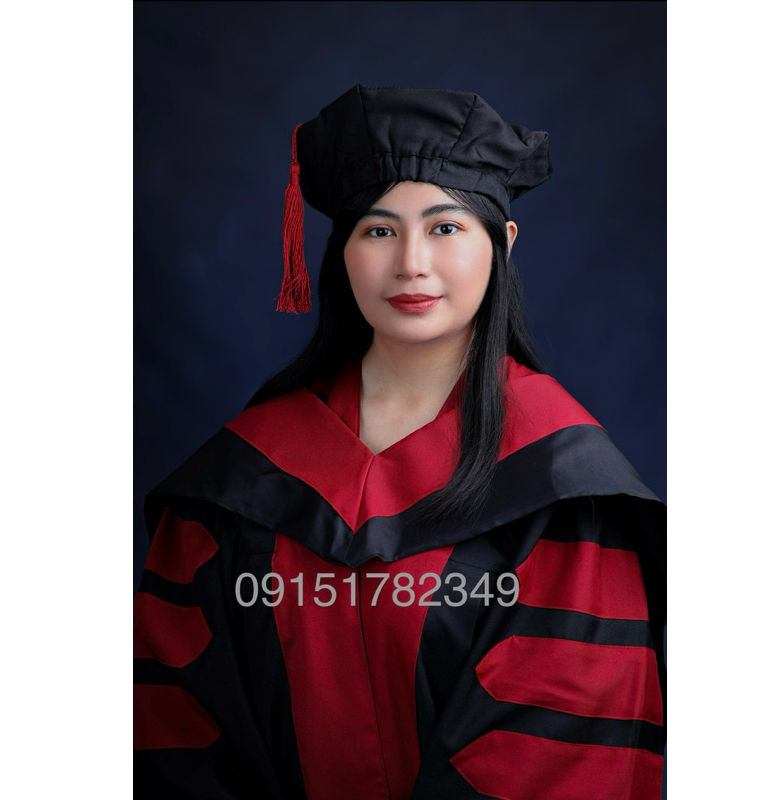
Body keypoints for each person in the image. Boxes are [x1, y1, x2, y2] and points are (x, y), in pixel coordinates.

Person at [133, 84, 666, 799]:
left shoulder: (558, 480)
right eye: (378, 231)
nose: (411, 262)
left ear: (503, 243)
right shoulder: (243, 476)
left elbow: (559, 744)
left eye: (445, 227)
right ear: (342, 253)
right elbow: (173, 722)